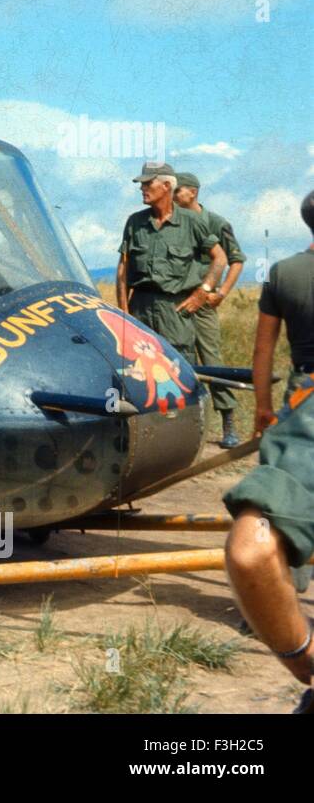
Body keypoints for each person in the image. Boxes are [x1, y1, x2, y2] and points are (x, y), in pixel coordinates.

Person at [222, 189, 314, 715]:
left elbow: (263, 350)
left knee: (283, 494)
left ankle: (279, 601)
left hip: (303, 397)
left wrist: (261, 407)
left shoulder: (281, 273)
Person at [116, 162, 227, 357]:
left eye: (148, 183)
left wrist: (203, 292)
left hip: (175, 311)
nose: (142, 188)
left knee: (180, 370)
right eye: (141, 184)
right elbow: (123, 270)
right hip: (140, 309)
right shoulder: (135, 222)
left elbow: (220, 258)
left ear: (167, 186)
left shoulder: (191, 221)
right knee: (139, 368)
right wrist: (124, 314)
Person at [172, 172, 247, 446]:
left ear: (192, 192)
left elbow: (235, 260)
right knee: (177, 357)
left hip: (203, 301)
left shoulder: (215, 222)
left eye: (178, 190)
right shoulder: (173, 222)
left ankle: (228, 422)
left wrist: (222, 292)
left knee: (211, 358)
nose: (173, 195)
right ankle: (184, 425)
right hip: (177, 300)